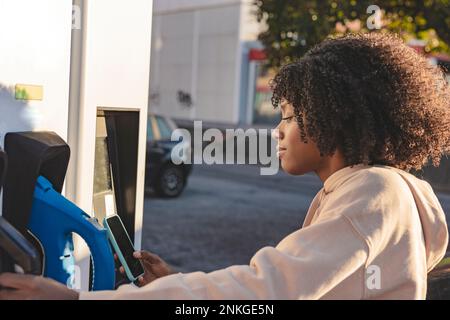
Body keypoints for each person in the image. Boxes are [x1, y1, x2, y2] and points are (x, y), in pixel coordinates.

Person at [1, 32, 449, 300]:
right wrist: (179, 283)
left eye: (290, 116)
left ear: (335, 119)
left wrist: (78, 298)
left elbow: (264, 292)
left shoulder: (372, 192)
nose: (278, 129)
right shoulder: (379, 192)